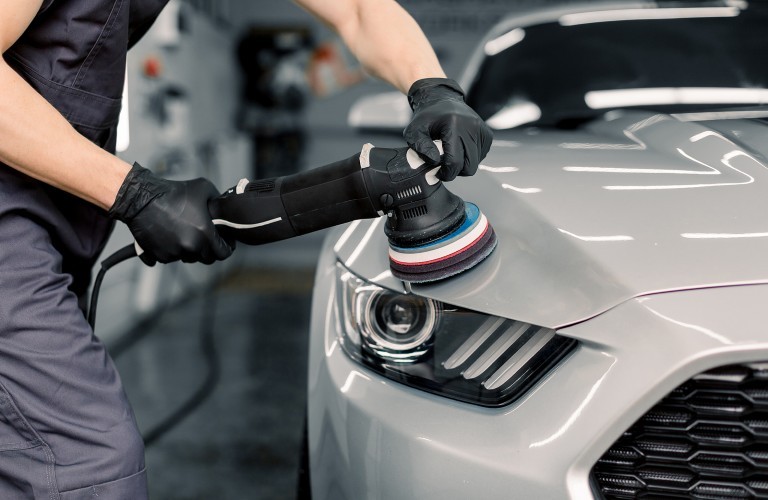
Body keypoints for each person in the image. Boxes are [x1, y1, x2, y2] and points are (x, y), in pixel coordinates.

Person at [0, 0, 493, 498]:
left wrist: (434, 87)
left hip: (59, 204)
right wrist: (131, 192)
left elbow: (359, 9)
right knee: (85, 459)